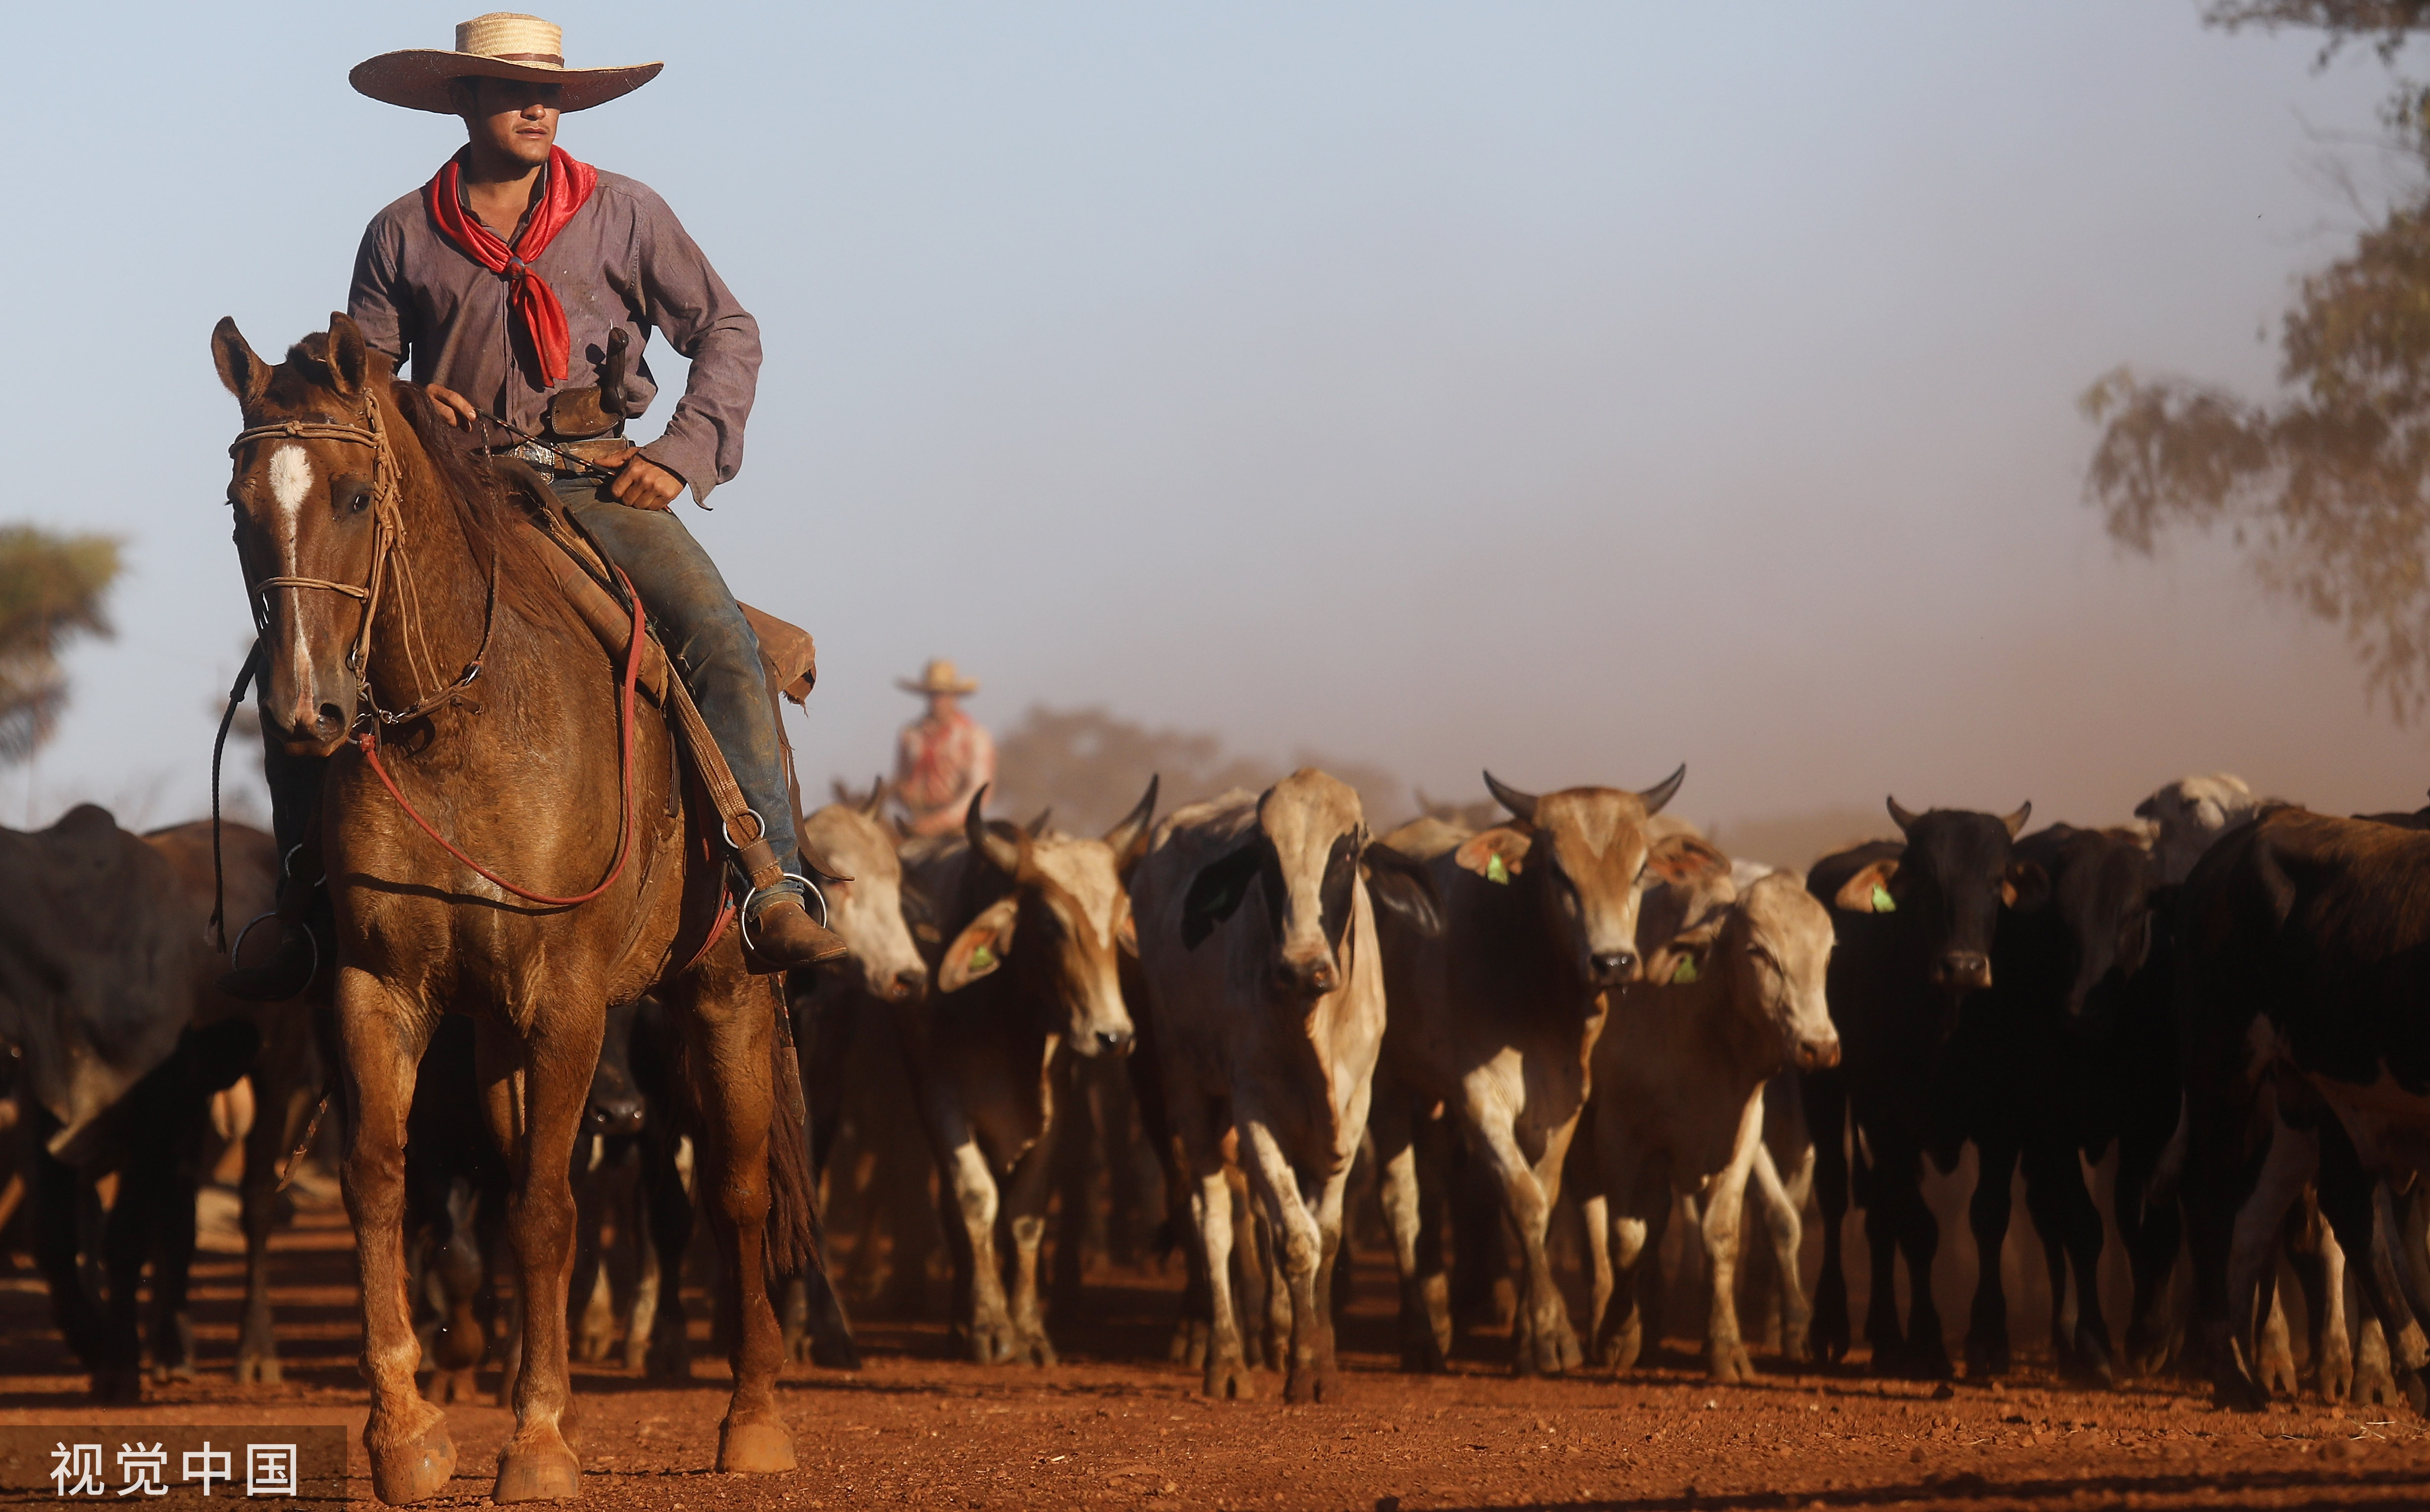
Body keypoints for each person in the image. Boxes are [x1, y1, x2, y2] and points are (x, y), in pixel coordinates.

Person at [224, 13, 844, 999]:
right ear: (462, 102)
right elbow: (363, 389)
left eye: (551, 92)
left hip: (603, 479)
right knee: (300, 658)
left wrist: (681, 458)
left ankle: (772, 882)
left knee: (719, 641)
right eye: (514, 91)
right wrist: (413, 399)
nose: (538, 108)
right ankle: (304, 895)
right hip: (461, 490)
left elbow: (728, 332)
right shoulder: (399, 231)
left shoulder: (629, 213)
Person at [892, 660, 997, 839]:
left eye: (943, 694)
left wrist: (938, 822)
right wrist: (901, 793)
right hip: (917, 822)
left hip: (960, 829)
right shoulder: (910, 735)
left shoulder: (974, 737)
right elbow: (902, 779)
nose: (938, 701)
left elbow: (979, 793)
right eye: (933, 694)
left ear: (955, 696)